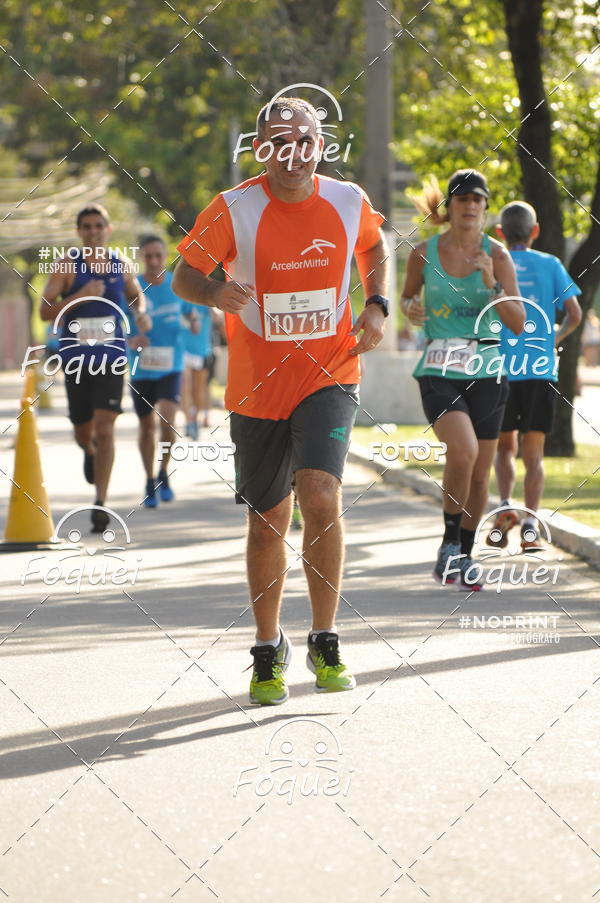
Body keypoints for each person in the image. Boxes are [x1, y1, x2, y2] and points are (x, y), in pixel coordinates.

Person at [173, 96, 389, 704]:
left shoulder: (348, 201)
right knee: (268, 522)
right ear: (261, 147)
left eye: (305, 141)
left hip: (330, 371)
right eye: (279, 142)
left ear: (321, 145)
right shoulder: (232, 208)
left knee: (320, 493)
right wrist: (218, 292)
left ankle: (325, 635)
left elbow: (373, 249)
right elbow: (183, 276)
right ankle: (268, 650)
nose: (293, 154)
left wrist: (377, 303)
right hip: (257, 383)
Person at [402, 170, 525, 589]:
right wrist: (409, 308)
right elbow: (407, 298)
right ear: (449, 207)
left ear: (486, 208)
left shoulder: (500, 256)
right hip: (439, 367)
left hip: (488, 370)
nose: (470, 205)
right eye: (462, 199)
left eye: (477, 199)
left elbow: (518, 322)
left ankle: (463, 554)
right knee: (464, 449)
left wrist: (492, 285)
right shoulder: (422, 254)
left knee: (478, 472)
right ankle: (449, 542)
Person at [40, 204, 148, 532]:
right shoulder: (66, 265)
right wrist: (80, 296)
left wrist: (140, 313)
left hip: (111, 359)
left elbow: (134, 297)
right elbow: (45, 311)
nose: (92, 231)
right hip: (76, 361)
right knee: (83, 430)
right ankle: (88, 450)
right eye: (86, 226)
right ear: (79, 231)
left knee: (106, 427)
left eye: (98, 225)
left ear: (107, 229)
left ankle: (100, 503)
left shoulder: (120, 264)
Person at [487, 201, 582, 551]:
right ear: (536, 231)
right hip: (540, 369)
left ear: (500, 233)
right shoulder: (550, 264)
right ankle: (530, 526)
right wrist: (551, 339)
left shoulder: (496, 262)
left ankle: (503, 506)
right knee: (534, 453)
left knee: (504, 446)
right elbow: (574, 314)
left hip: (499, 369)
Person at [128, 235, 200, 507]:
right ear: (142, 258)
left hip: (172, 365)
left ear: (165, 255)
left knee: (168, 423)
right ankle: (149, 479)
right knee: (146, 428)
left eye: (159, 255)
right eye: (149, 256)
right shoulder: (133, 288)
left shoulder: (176, 284)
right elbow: (119, 327)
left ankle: (163, 472)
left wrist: (194, 323)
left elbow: (191, 315)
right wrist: (131, 340)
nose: (155, 261)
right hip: (141, 369)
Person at [181, 303, 214, 440]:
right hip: (183, 349)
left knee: (198, 390)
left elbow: (217, 315)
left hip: (202, 351)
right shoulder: (181, 297)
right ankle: (188, 420)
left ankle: (195, 419)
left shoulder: (206, 298)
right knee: (185, 387)